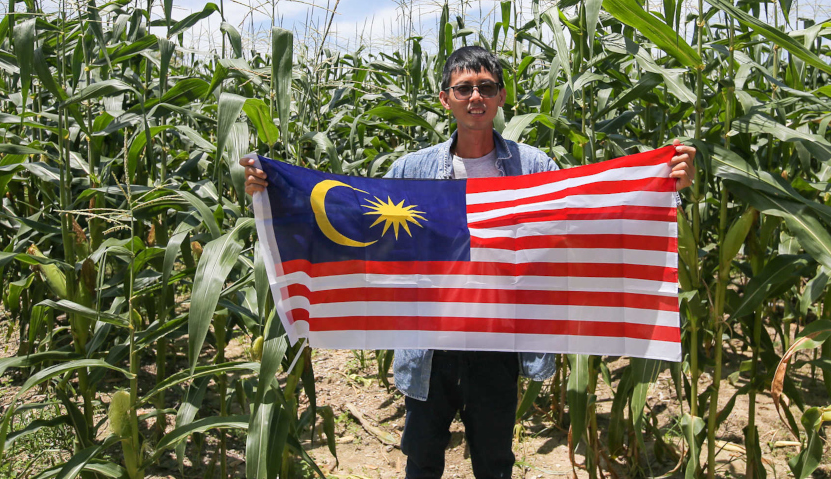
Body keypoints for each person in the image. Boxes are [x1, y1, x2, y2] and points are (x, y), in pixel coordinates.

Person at [241, 45, 696, 479]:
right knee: (421, 460)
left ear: (500, 97)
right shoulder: (411, 170)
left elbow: (581, 220)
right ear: (445, 98)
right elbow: (364, 226)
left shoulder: (535, 167)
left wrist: (661, 184)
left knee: (494, 462)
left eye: (487, 87)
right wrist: (275, 191)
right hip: (429, 343)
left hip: (498, 340)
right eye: (463, 88)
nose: (475, 96)